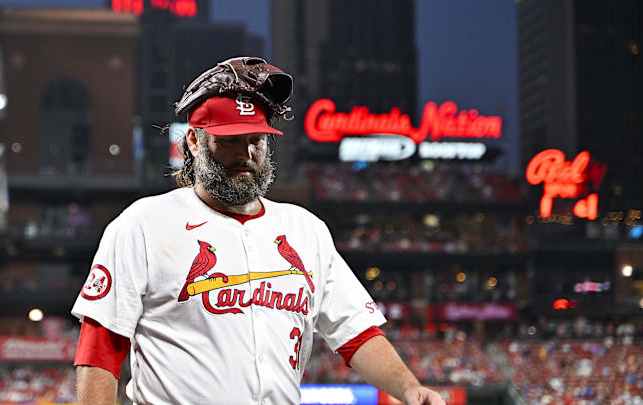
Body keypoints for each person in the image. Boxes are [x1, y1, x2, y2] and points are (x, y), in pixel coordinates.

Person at [72, 56, 443, 405]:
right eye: (230, 140)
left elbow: (356, 332)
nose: (245, 153)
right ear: (194, 142)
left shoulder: (304, 229)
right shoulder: (144, 224)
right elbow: (101, 346)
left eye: (256, 140)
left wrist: (409, 387)